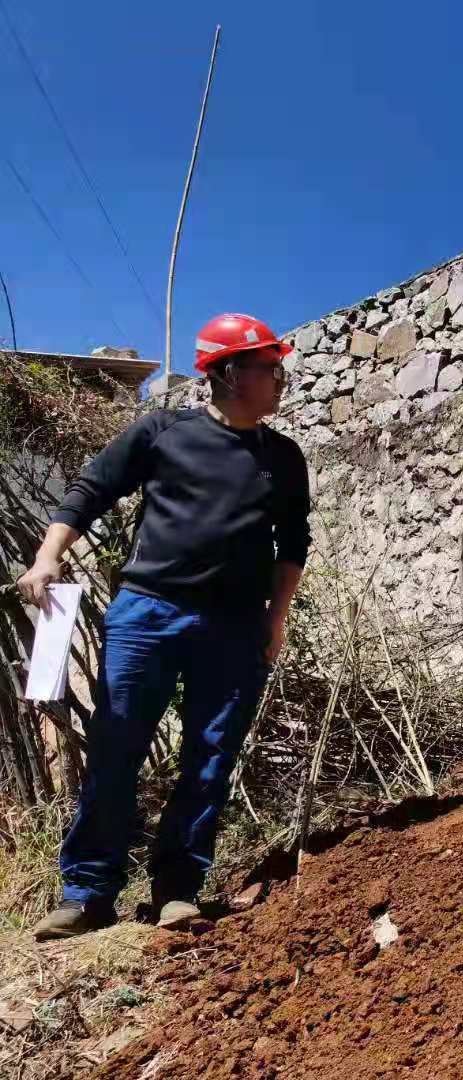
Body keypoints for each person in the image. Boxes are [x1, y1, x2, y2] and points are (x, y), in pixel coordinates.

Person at [19, 313, 311, 940]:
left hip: (235, 627)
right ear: (229, 373)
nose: (280, 379)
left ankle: (178, 891)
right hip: (147, 614)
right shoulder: (162, 432)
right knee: (116, 749)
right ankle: (87, 895)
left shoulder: (283, 458)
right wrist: (47, 557)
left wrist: (275, 621)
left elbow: (293, 545)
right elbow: (90, 490)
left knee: (210, 757)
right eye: (269, 367)